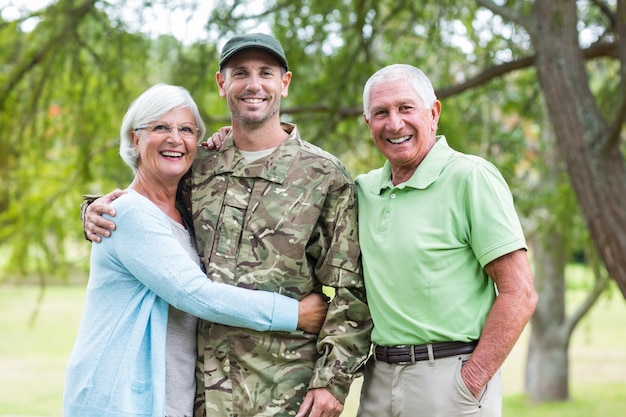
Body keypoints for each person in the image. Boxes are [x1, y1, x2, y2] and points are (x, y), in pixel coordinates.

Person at [83, 34, 372, 417]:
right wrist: (93, 211)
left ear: (284, 83)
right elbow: (149, 207)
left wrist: (332, 382)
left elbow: (353, 290)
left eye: (265, 72)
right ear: (222, 84)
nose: (254, 84)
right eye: (240, 73)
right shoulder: (197, 167)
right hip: (199, 395)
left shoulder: (323, 176)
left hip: (285, 395)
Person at [65, 83, 328, 417]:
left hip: (170, 397)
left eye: (186, 130)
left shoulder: (186, 209)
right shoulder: (128, 213)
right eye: (161, 127)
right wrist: (295, 314)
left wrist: (226, 144)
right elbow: (197, 295)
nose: (175, 138)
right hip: (120, 398)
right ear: (135, 138)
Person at [355, 64, 538, 417]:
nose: (394, 124)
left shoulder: (470, 177)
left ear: (434, 113)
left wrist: (472, 379)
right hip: (377, 380)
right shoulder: (363, 191)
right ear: (368, 124)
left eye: (406, 108)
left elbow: (520, 292)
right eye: (381, 113)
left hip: (449, 382)